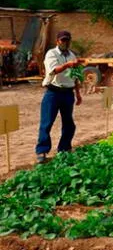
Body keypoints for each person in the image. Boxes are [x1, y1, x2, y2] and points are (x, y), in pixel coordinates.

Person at [36, 30, 83, 163]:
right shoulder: (52, 54)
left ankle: (64, 148)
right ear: (57, 41)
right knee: (47, 122)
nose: (65, 42)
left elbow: (76, 77)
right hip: (53, 92)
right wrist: (68, 65)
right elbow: (54, 70)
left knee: (69, 123)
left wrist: (78, 94)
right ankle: (42, 151)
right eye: (63, 40)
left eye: (67, 40)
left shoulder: (72, 55)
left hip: (68, 93)